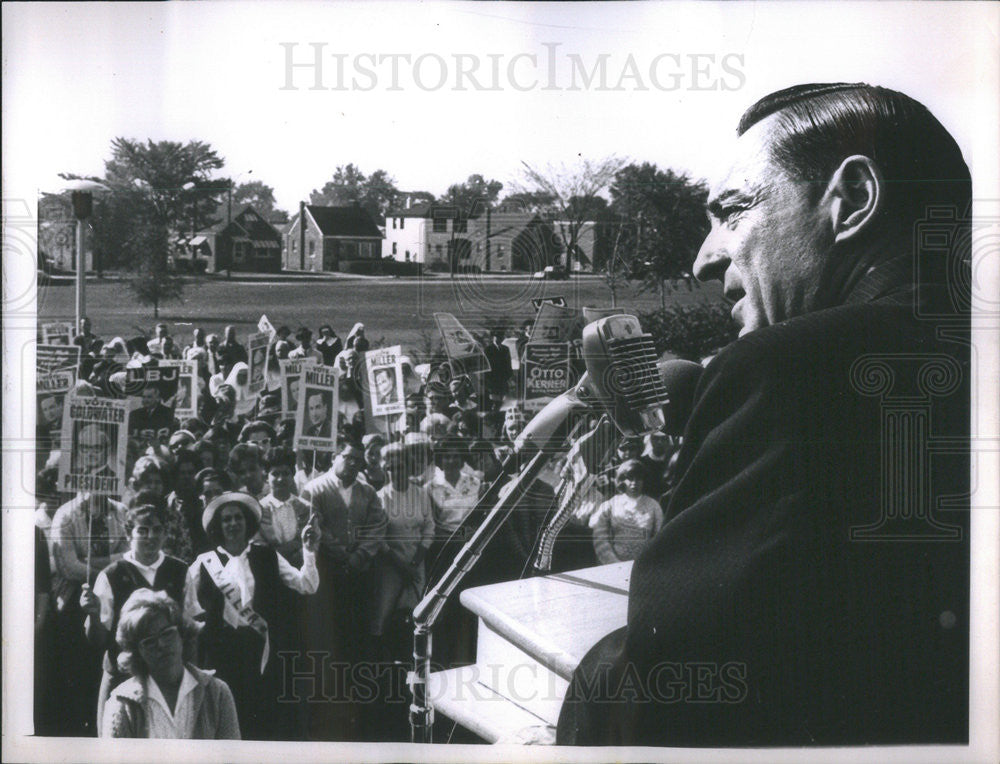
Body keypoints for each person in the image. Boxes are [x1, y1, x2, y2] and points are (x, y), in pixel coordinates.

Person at [558, 83, 971, 747]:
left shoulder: (786, 374)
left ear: (853, 199)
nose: (705, 257)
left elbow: (670, 691)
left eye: (735, 210)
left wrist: (600, 676)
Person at [185, 491, 320, 740]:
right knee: (221, 716)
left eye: (238, 518)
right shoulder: (205, 563)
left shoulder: (266, 555)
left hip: (259, 650)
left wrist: (309, 551)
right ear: (218, 525)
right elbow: (186, 607)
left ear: (247, 522)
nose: (233, 523)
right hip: (219, 650)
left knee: (258, 719)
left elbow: (307, 585)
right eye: (226, 519)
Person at [80, 504, 189, 730]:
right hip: (122, 677)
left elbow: (190, 630)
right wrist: (92, 614)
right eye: (142, 530)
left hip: (169, 680)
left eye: (157, 530)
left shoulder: (180, 571)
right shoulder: (111, 574)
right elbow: (97, 640)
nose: (150, 537)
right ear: (129, 532)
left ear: (165, 532)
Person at [102, 589, 240, 739]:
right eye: (149, 642)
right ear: (137, 653)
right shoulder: (122, 704)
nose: (160, 645)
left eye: (167, 633)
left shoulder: (217, 693)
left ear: (182, 634)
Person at [588, 460, 663, 564]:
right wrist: (613, 563)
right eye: (630, 478)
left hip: (643, 565)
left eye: (639, 479)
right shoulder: (611, 504)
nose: (634, 483)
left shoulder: (654, 506)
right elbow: (600, 539)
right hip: (612, 566)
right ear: (622, 480)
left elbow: (659, 541)